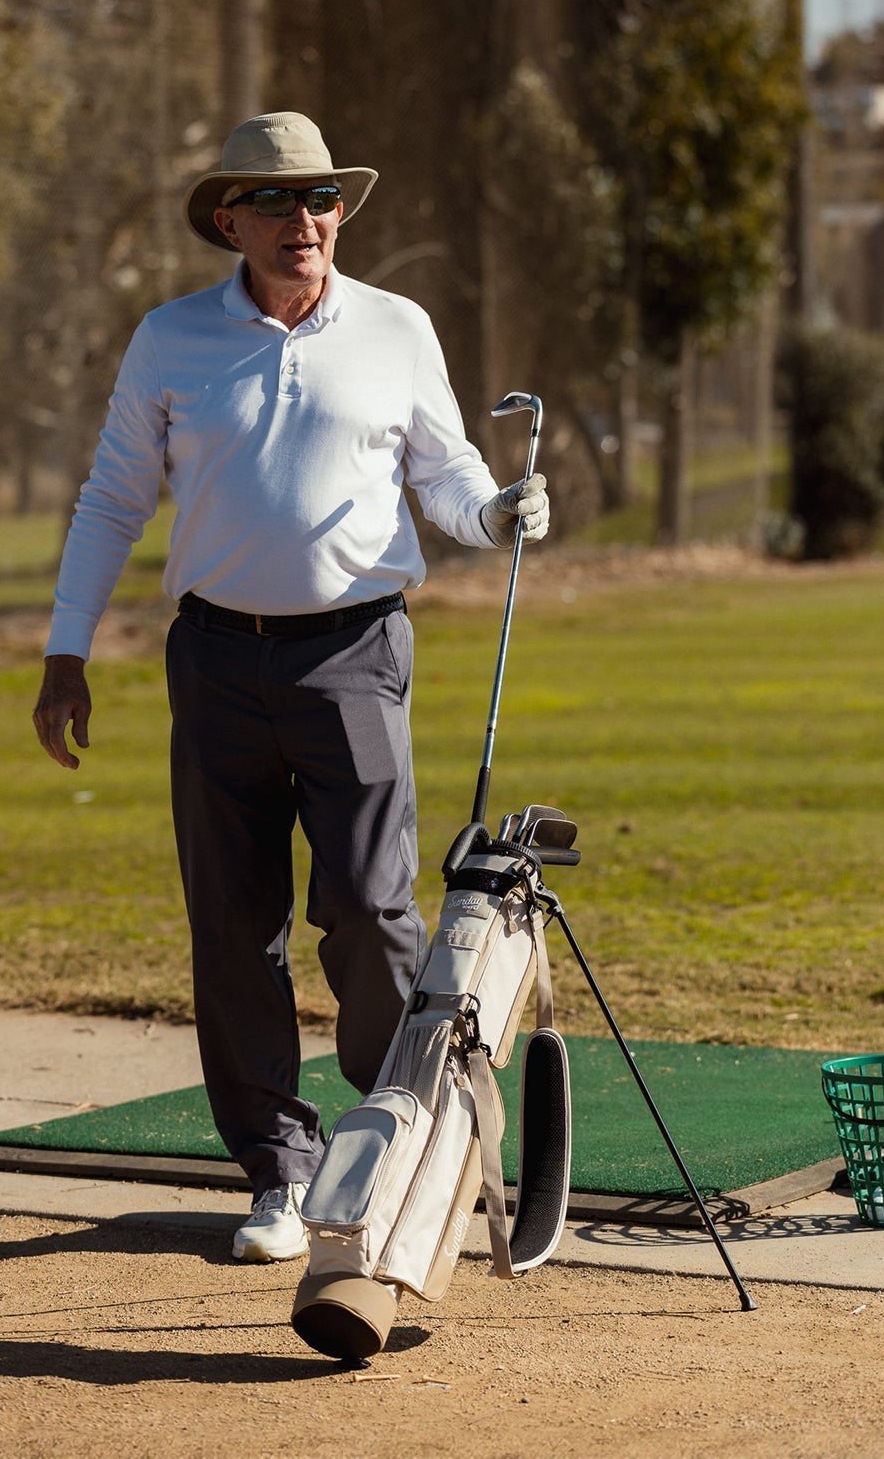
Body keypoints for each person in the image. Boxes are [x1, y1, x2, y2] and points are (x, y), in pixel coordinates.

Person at [32, 111, 548, 1263]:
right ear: (230, 220)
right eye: (273, 200)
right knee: (233, 923)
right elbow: (114, 497)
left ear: (339, 212)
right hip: (216, 660)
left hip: (356, 650)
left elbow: (445, 472)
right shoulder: (170, 339)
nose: (301, 219)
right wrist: (67, 651)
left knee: (370, 907)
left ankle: (396, 1132)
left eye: (319, 198)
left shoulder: (396, 326)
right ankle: (279, 1168)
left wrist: (495, 513)